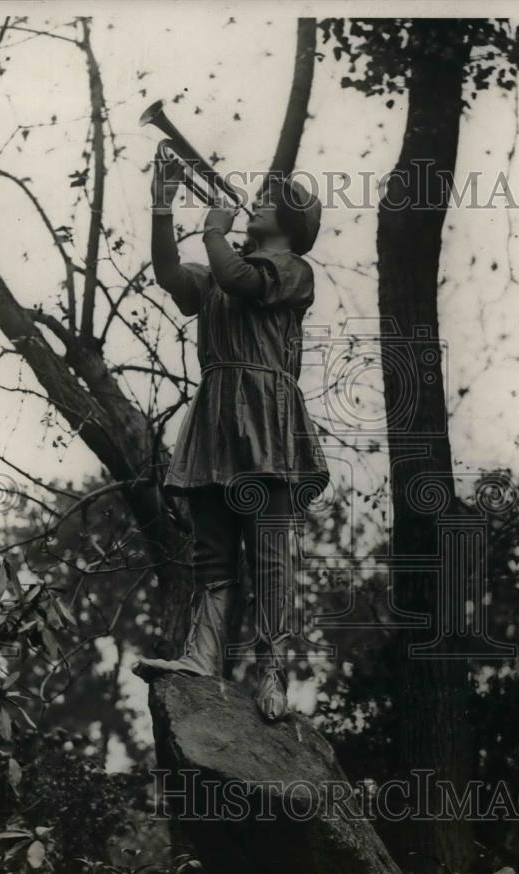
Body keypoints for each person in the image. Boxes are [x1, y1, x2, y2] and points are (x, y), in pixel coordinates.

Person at [134, 155, 329, 722]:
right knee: (212, 553)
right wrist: (162, 205)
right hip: (218, 416)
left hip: (266, 418)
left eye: (268, 203)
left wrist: (214, 229)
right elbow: (172, 274)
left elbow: (237, 279)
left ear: (290, 225)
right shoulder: (228, 267)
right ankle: (203, 656)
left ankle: (271, 670)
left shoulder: (291, 270)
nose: (255, 205)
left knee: (268, 556)